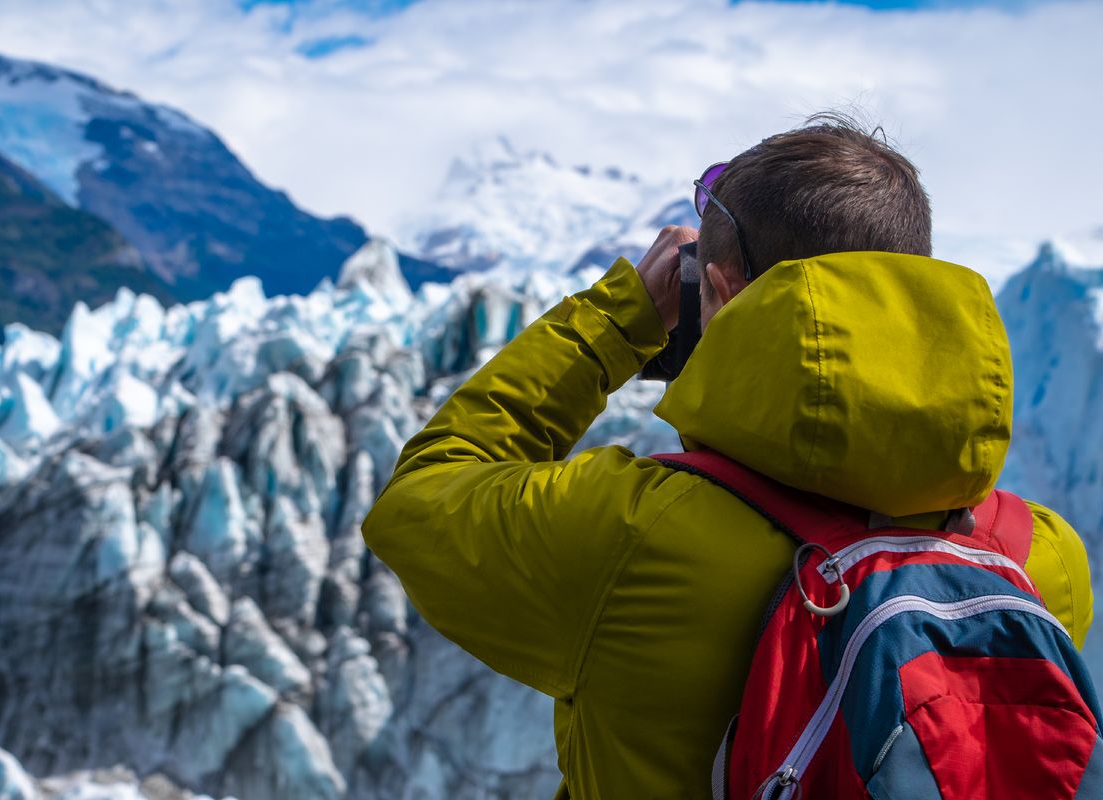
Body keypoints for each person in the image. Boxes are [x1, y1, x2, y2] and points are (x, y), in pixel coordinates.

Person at [361, 116, 1094, 797]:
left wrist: (617, 322)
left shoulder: (632, 537)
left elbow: (421, 497)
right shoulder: (1044, 561)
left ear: (721, 290)